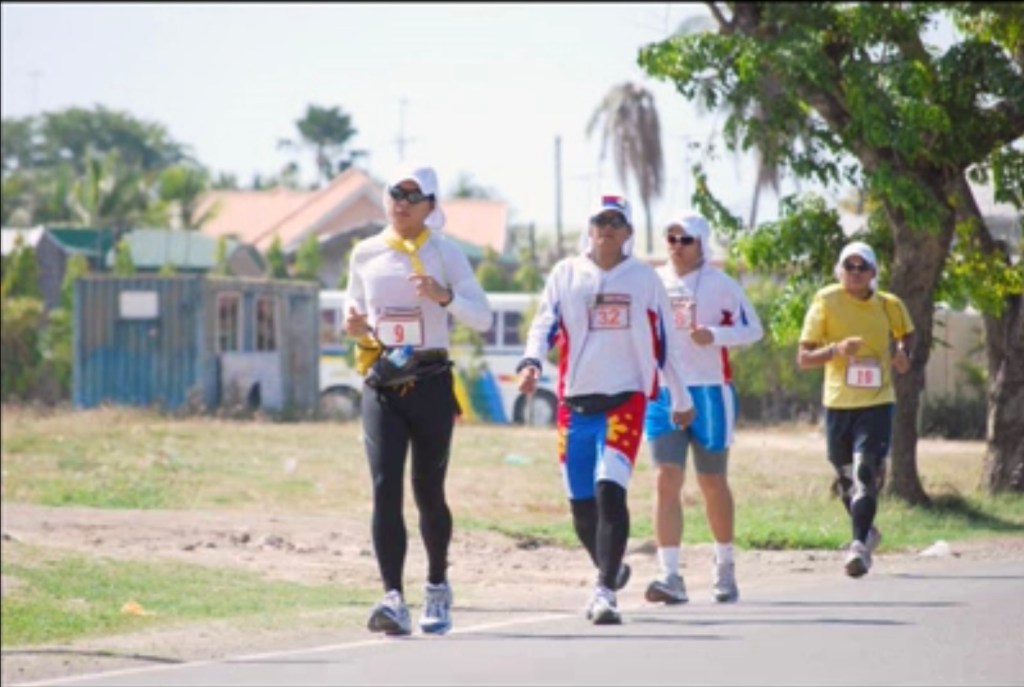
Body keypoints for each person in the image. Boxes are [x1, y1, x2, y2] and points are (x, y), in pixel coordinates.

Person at [516, 193, 696, 626]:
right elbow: (544, 324)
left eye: (617, 222)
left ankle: (603, 592)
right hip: (575, 404)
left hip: (625, 400)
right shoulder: (566, 274)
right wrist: (530, 361)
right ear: (589, 227)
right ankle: (611, 568)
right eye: (601, 220)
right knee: (581, 506)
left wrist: (680, 395)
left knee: (609, 490)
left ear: (629, 232)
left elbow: (663, 342)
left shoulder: (644, 279)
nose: (608, 228)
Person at [344, 164, 492, 636]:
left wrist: (442, 295)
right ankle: (392, 598)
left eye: (413, 196)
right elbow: (356, 314)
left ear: (431, 206)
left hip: (430, 380)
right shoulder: (366, 253)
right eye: (395, 193)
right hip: (383, 381)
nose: (402, 202)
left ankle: (436, 586)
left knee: (427, 490)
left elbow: (483, 318)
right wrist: (354, 326)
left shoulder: (446, 253)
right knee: (384, 486)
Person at [642, 212, 763, 605]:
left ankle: (724, 563)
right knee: (665, 479)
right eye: (671, 237)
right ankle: (669, 574)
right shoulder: (652, 281)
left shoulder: (721, 285)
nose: (676, 245)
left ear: (701, 244)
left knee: (711, 481)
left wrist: (715, 335)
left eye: (685, 239)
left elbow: (753, 329)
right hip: (662, 392)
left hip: (709, 392)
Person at [797, 240, 914, 578]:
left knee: (865, 472)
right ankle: (867, 530)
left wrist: (904, 353)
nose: (856, 273)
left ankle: (858, 547)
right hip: (837, 404)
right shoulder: (826, 301)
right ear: (840, 271)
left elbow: (907, 334)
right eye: (850, 266)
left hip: (877, 402)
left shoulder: (889, 304)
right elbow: (804, 358)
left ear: (874, 272)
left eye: (863, 267)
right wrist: (836, 349)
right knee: (845, 475)